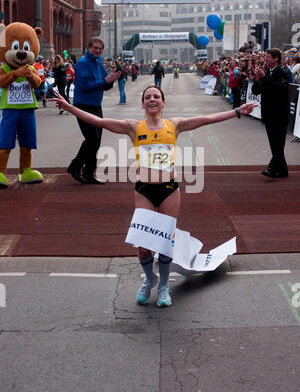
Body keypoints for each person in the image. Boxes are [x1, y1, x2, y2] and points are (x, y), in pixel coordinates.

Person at [50, 85, 256, 307]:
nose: (152, 99)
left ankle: (164, 286)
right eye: (147, 97)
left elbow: (205, 119)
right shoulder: (133, 127)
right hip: (144, 190)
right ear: (143, 104)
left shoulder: (174, 125)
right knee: (144, 246)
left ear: (163, 102)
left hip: (169, 190)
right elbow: (98, 122)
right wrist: (70, 108)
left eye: (156, 96)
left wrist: (236, 111)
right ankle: (150, 279)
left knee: (166, 244)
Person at [66, 36, 121, 184]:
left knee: (96, 141)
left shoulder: (99, 63)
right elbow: (85, 86)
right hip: (83, 105)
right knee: (92, 139)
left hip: (96, 105)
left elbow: (105, 85)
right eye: (95, 48)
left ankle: (89, 173)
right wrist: (105, 80)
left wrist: (113, 78)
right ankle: (75, 166)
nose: (97, 50)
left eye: (100, 49)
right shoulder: (82, 63)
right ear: (89, 48)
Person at [252, 48, 290, 178]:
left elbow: (279, 90)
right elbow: (256, 91)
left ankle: (272, 169)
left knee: (278, 143)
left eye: (268, 57)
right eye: (266, 57)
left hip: (280, 114)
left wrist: (264, 77)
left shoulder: (283, 73)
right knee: (274, 144)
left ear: (276, 59)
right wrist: (257, 79)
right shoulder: (267, 72)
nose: (266, 59)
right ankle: (283, 170)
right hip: (268, 114)